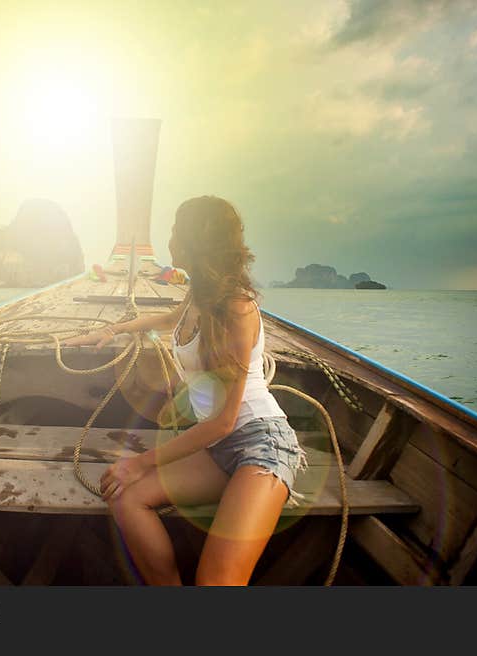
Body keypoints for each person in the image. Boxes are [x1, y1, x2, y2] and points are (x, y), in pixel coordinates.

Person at [62, 195, 307, 586]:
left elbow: (225, 421)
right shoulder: (199, 296)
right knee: (126, 497)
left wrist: (140, 462)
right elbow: (167, 317)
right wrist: (110, 331)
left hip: (260, 445)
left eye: (176, 229)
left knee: (215, 582)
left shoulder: (237, 310)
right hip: (215, 448)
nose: (170, 238)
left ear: (196, 240)